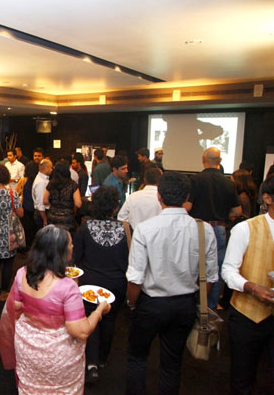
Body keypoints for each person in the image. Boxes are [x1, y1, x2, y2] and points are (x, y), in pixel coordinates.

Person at [126, 172, 218, 395]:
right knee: (172, 362)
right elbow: (211, 277)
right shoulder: (204, 229)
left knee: (137, 357)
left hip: (150, 303)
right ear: (187, 197)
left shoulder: (145, 229)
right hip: (184, 304)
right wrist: (196, 301)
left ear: (159, 196)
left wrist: (132, 304)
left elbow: (135, 278)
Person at [0, 225, 111, 394]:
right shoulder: (67, 287)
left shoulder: (22, 273)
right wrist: (99, 310)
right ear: (60, 251)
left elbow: (16, 306)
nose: (73, 246)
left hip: (28, 347)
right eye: (70, 243)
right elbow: (80, 331)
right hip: (58, 355)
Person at [221, 176, 274, 394]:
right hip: (248, 315)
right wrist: (252, 287)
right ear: (267, 198)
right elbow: (228, 271)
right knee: (243, 378)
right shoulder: (246, 228)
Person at [73, 186, 129, 382]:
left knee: (91, 318)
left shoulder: (85, 228)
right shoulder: (127, 228)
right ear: (115, 207)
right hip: (117, 283)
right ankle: (103, 358)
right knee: (110, 319)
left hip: (90, 283)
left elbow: (75, 257)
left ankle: (92, 364)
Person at [187, 147, 241, 310]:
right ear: (220, 161)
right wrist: (223, 215)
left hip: (197, 228)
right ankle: (209, 309)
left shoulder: (195, 180)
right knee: (215, 270)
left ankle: (192, 306)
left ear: (203, 160)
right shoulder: (229, 182)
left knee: (192, 266)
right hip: (219, 229)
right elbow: (237, 211)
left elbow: (188, 206)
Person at [0, 164, 23, 301]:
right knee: (8, 264)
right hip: (9, 234)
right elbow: (20, 213)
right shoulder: (12, 194)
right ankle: (4, 291)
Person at [44, 160, 82, 233]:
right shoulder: (72, 185)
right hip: (67, 219)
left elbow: (45, 201)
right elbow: (78, 204)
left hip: (52, 218)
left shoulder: (51, 183)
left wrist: (53, 203)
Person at [32, 158, 53, 229]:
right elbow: (40, 204)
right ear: (46, 167)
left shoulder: (43, 179)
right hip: (42, 214)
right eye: (51, 167)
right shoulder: (41, 182)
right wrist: (45, 221)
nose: (52, 170)